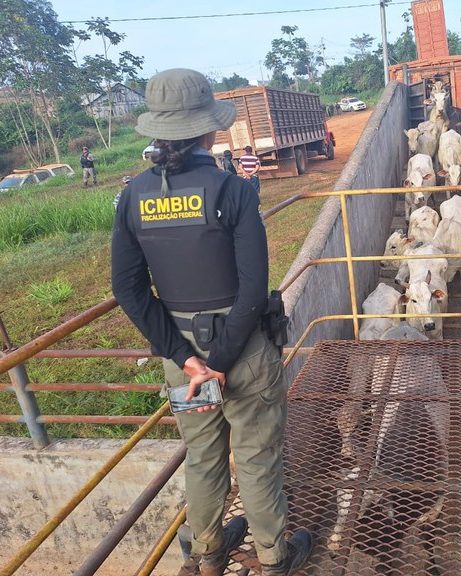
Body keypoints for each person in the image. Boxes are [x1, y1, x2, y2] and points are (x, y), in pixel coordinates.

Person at [110, 68, 312, 576]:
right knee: (258, 457)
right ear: (208, 130)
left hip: (184, 357)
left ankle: (206, 550)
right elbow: (252, 289)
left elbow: (128, 290)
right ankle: (272, 558)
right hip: (242, 353)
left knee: (202, 457)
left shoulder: (133, 197)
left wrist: (189, 362)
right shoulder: (233, 191)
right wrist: (219, 361)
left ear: (158, 130)